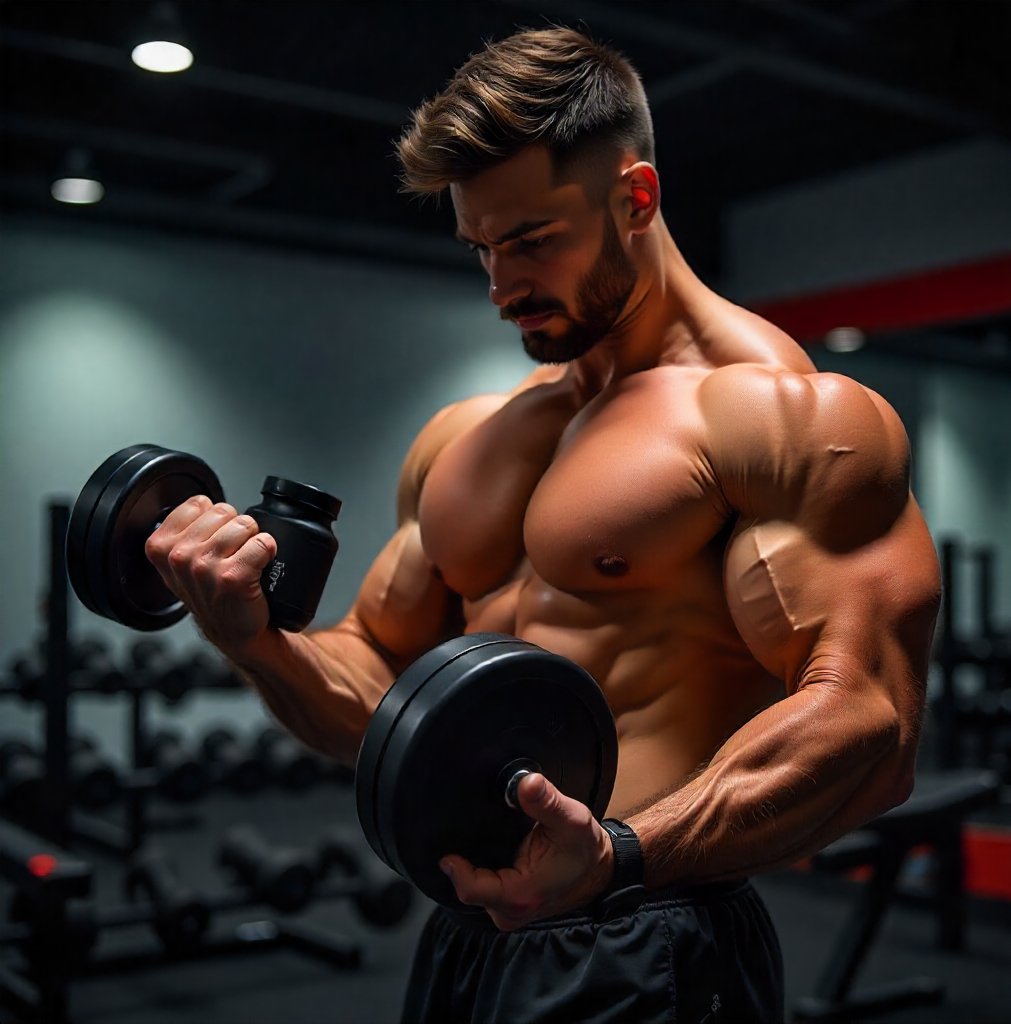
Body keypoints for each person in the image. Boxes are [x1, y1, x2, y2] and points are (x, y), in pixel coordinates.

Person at [146, 27, 941, 1024]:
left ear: (635, 200)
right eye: (482, 247)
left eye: (530, 240)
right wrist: (252, 639)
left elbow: (872, 726)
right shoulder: (468, 440)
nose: (499, 286)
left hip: (650, 929)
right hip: (469, 941)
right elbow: (378, 696)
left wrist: (618, 855)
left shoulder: (780, 420)